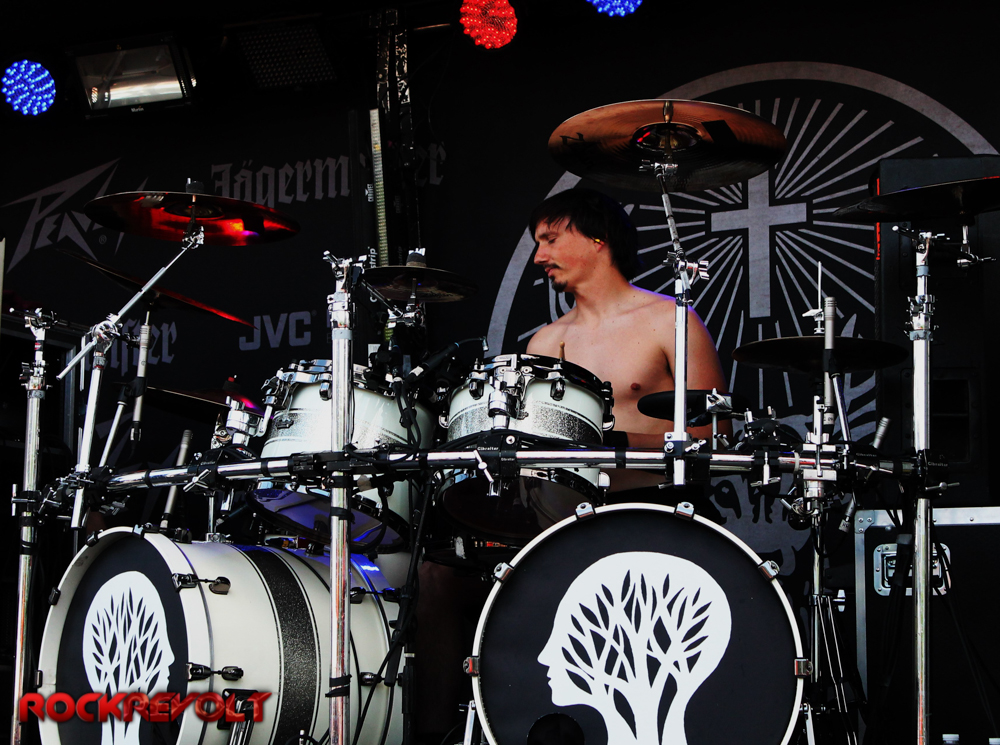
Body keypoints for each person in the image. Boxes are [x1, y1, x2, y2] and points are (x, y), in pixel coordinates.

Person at [526, 187, 729, 494]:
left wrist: (610, 443)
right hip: (571, 514)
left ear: (598, 237)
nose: (539, 257)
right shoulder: (543, 343)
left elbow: (716, 438)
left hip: (661, 507)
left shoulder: (670, 320)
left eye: (550, 240)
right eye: (538, 244)